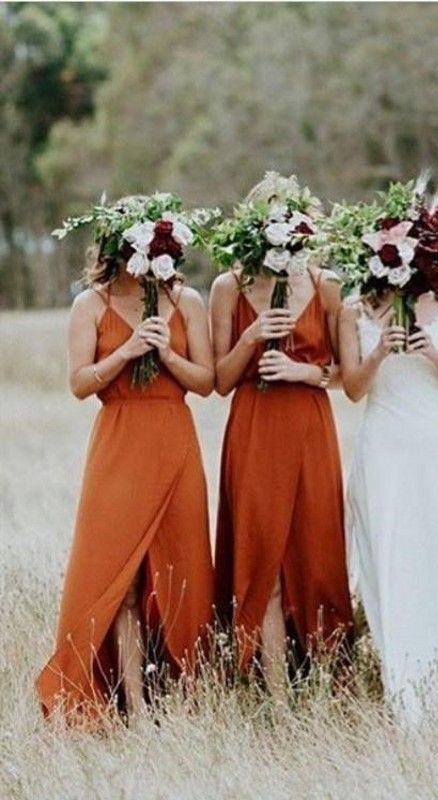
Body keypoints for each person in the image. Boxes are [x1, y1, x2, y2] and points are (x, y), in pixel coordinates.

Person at [37, 197, 215, 719]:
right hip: (118, 443)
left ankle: (189, 691)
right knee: (120, 578)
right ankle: (132, 702)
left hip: (174, 439)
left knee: (181, 569)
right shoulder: (89, 305)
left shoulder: (188, 301)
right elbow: (77, 384)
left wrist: (167, 355)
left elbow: (205, 383)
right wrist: (127, 351)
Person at [210, 175, 353, 695]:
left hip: (311, 426)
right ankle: (272, 690)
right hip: (253, 427)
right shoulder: (228, 286)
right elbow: (219, 381)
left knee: (316, 557)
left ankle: (326, 679)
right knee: (261, 557)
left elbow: (347, 374)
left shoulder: (327, 284)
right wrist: (250, 337)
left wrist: (305, 374)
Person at [340, 285, 438, 724]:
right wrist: (379, 351)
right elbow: (353, 390)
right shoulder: (352, 310)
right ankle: (400, 688)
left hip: (433, 446)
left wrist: (433, 355)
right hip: (383, 449)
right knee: (388, 565)